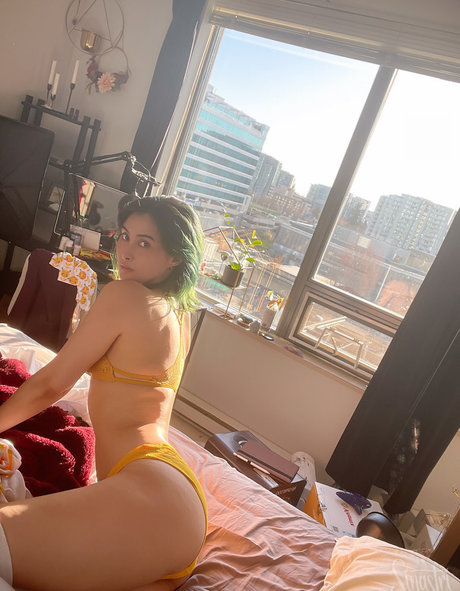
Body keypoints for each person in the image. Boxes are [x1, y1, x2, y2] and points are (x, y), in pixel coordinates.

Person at [0, 195, 207, 591]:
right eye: (125, 236)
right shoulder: (178, 315)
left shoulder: (125, 294)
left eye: (144, 243)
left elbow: (51, 384)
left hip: (152, 493)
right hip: (173, 506)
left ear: (175, 258)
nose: (125, 251)